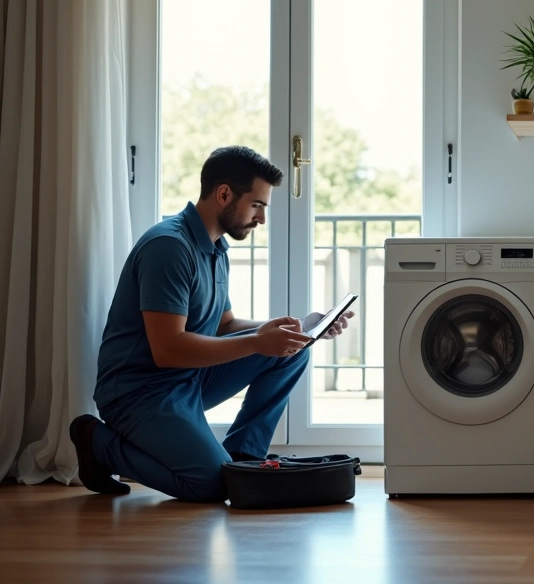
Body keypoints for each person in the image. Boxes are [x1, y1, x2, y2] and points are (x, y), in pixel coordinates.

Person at [69, 146, 354, 503]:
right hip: (139, 391)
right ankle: (98, 442)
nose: (262, 219)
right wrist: (256, 343)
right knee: (213, 486)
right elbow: (167, 349)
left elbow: (225, 324)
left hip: (188, 379)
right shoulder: (169, 247)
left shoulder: (216, 248)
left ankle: (241, 460)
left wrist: (299, 327)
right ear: (224, 194)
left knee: (292, 352)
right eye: (258, 205)